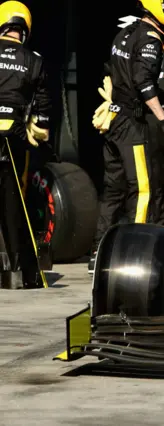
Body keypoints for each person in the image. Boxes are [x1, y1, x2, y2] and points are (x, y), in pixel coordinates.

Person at [89, 0, 164, 271]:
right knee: (143, 189)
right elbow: (144, 83)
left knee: (113, 190)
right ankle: (134, 251)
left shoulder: (126, 30)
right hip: (132, 124)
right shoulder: (150, 38)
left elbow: (111, 69)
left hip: (114, 120)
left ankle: (98, 251)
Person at [0, 1, 51, 289]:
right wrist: (41, 129)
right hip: (16, 137)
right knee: (14, 203)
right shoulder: (34, 58)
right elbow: (43, 107)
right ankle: (18, 271)